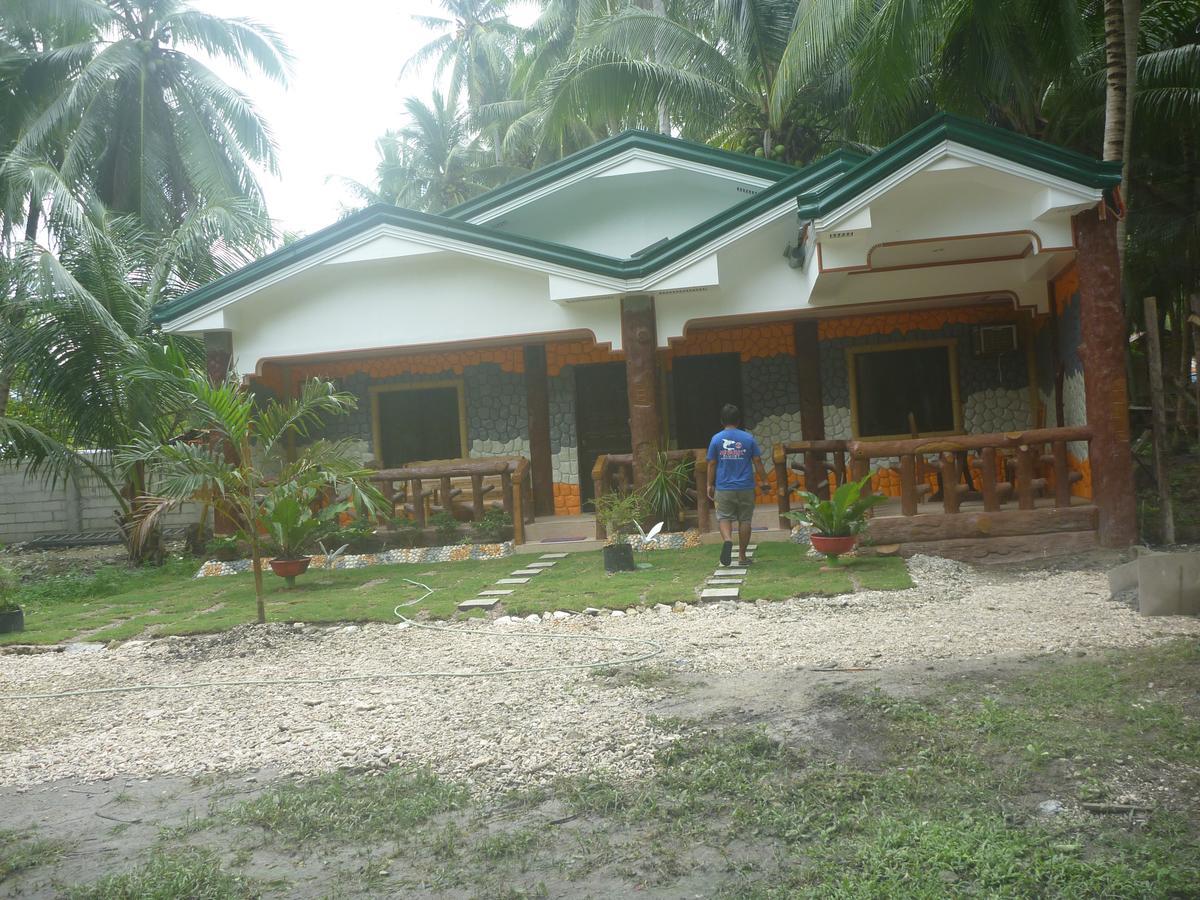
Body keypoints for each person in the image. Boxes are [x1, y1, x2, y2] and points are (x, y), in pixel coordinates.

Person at [706, 403, 769, 567]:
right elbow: (757, 461)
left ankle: (727, 540)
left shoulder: (716, 439)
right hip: (746, 487)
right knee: (745, 520)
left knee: (724, 518)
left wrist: (709, 484)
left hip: (724, 487)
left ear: (721, 420)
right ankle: (742, 556)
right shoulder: (748, 438)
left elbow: (712, 464)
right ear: (739, 421)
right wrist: (764, 480)